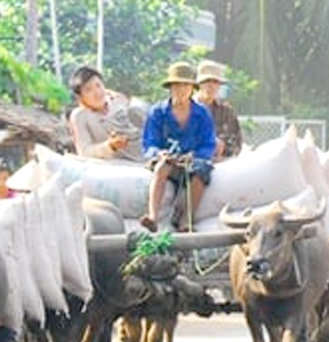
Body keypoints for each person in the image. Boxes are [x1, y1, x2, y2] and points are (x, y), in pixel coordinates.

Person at [140, 61, 216, 232]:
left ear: (192, 89)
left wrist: (194, 155)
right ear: (170, 88)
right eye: (176, 85)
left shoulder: (202, 113)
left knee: (200, 174)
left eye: (185, 85)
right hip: (168, 161)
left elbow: (208, 144)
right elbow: (149, 143)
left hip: (192, 162)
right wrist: (160, 153)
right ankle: (153, 216)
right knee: (162, 167)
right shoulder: (157, 112)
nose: (180, 90)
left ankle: (185, 221)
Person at [67, 65, 144, 162]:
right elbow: (84, 152)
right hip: (119, 165)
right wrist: (110, 146)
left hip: (144, 154)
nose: (97, 92)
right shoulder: (80, 116)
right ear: (80, 97)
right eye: (88, 90)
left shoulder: (118, 102)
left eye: (98, 85)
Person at [195, 60, 243, 160]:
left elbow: (237, 144)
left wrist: (223, 147)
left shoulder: (227, 112)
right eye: (207, 81)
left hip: (221, 166)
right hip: (191, 165)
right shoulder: (186, 109)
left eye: (215, 82)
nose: (211, 85)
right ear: (199, 83)